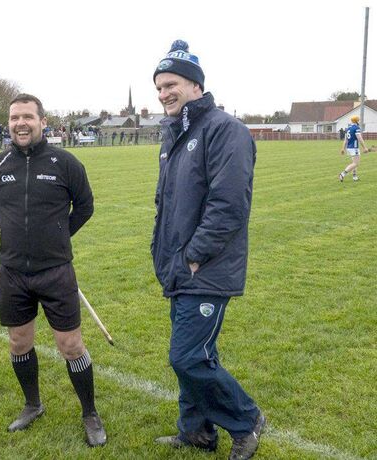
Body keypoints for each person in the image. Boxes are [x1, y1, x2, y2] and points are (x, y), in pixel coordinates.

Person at [150, 40, 265, 460]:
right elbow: (167, 203)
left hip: (206, 268)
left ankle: (245, 420)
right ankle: (196, 432)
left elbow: (229, 204)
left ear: (195, 85)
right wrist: (163, 253)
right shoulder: (175, 133)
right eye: (159, 86)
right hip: (179, 265)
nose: (164, 93)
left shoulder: (223, 129)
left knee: (187, 358)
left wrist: (194, 256)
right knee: (198, 353)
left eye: (171, 84)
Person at [0, 94, 106, 447]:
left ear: (42, 121)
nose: (20, 123)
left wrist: (56, 235)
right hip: (13, 272)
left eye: (27, 117)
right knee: (19, 342)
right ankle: (33, 404)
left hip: (56, 272)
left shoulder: (65, 163)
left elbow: (85, 206)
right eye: (14, 117)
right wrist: (18, 238)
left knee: (71, 345)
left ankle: (89, 413)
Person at [339, 115, 369, 182]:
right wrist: (365, 147)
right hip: (354, 148)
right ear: (357, 121)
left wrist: (343, 148)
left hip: (349, 148)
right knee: (356, 163)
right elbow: (359, 138)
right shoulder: (356, 128)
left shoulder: (348, 128)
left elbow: (345, 140)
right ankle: (342, 174)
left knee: (354, 162)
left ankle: (354, 177)